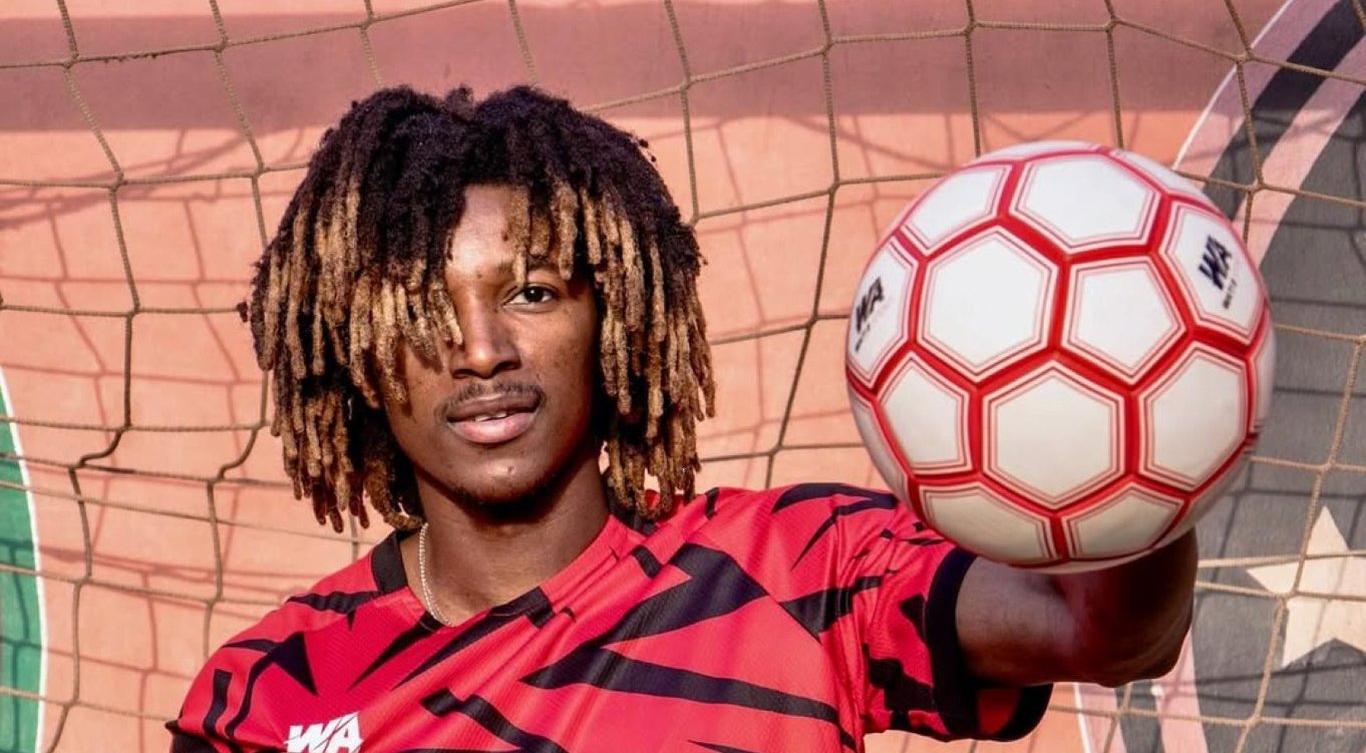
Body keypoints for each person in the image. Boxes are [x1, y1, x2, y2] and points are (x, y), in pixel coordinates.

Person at [167, 85, 1196, 752]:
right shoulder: (266, 694)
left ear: (613, 317)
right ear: (349, 352)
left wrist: (1164, 429)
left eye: (533, 293)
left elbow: (1103, 633)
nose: (480, 351)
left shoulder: (802, 567)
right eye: (420, 309)